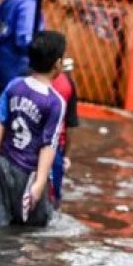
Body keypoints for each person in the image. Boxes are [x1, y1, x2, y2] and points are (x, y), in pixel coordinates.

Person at [0, 30, 67, 228]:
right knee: (33, 229)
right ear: (58, 64)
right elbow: (48, 144)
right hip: (28, 173)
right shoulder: (55, 103)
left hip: (3, 164)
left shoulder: (14, 85)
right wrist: (40, 181)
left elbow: (0, 121)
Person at [50, 58, 79, 207]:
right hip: (55, 147)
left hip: (27, 146)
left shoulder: (23, 79)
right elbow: (71, 124)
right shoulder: (68, 86)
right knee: (54, 199)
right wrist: (66, 156)